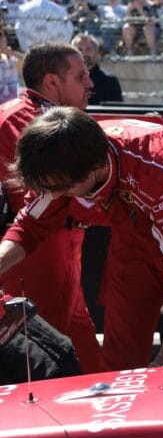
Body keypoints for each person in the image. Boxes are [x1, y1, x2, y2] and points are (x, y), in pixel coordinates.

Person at [0, 108, 163, 368]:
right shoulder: (64, 157)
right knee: (121, 358)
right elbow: (29, 226)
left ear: (93, 170)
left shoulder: (160, 176)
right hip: (130, 233)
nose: (54, 196)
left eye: (62, 189)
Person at [0, 41, 102, 372]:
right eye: (81, 75)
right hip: (37, 257)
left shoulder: (42, 117)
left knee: (88, 362)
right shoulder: (25, 119)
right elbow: (56, 192)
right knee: (51, 368)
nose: (90, 83)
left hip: (61, 253)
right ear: (52, 82)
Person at [71, 32, 122, 104]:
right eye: (79, 49)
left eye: (88, 49)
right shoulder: (65, 79)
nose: (84, 54)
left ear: (97, 53)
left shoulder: (109, 81)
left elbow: (115, 112)